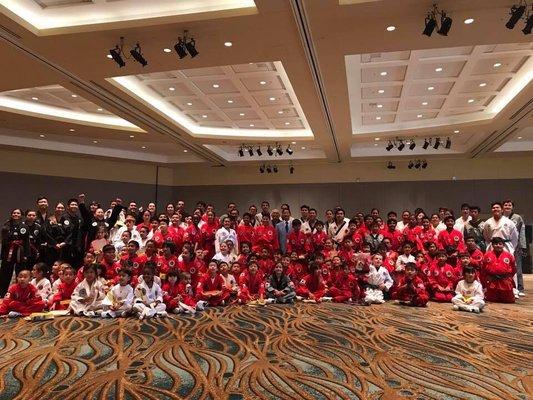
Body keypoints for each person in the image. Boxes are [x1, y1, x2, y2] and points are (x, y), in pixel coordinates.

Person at [502, 199, 527, 297]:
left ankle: (519, 288)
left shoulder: (518, 218)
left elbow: (522, 233)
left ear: (512, 207)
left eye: (509, 205)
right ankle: (507, 286)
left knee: (518, 267)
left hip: (516, 246)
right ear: (502, 207)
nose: (507, 207)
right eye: (506, 205)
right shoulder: (501, 217)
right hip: (504, 245)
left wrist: (523, 246)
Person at [481, 237, 516, 303]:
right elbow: (483, 269)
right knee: (491, 299)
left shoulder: (509, 256)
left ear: (503, 245)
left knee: (509, 300)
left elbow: (514, 269)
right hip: (492, 281)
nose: (498, 245)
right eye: (496, 244)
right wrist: (485, 281)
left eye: (500, 244)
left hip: (505, 282)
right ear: (492, 245)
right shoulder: (487, 255)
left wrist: (507, 277)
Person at [0, 208, 26, 296]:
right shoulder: (6, 226)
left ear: (21, 215)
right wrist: (2, 255)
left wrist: (26, 254)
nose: (16, 214)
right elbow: (3, 241)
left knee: (20, 274)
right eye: (14, 213)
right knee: (5, 274)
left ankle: (19, 294)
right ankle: (2, 293)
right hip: (8, 253)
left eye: (18, 213)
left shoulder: (24, 226)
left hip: (20, 253)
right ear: (11, 215)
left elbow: (26, 242)